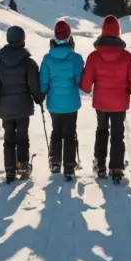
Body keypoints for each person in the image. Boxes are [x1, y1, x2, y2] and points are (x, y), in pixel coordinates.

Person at [80, 15, 131, 181]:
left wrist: (84, 86)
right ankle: (116, 167)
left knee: (101, 131)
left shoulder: (94, 56)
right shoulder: (126, 56)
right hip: (119, 103)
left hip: (101, 102)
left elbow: (86, 84)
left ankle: (100, 165)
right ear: (117, 32)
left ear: (103, 32)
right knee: (117, 134)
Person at [0, 25, 44, 184]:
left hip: (5, 109)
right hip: (23, 108)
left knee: (9, 139)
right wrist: (39, 98)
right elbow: (34, 85)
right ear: (22, 40)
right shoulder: (29, 63)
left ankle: (10, 170)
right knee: (22, 138)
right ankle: (23, 167)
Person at [40, 19, 84, 179]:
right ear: (69, 36)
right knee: (70, 133)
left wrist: (41, 94)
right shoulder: (76, 58)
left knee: (56, 131)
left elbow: (43, 83)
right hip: (71, 104)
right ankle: (69, 166)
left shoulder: (47, 59)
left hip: (54, 104)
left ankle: (54, 162)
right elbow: (80, 81)